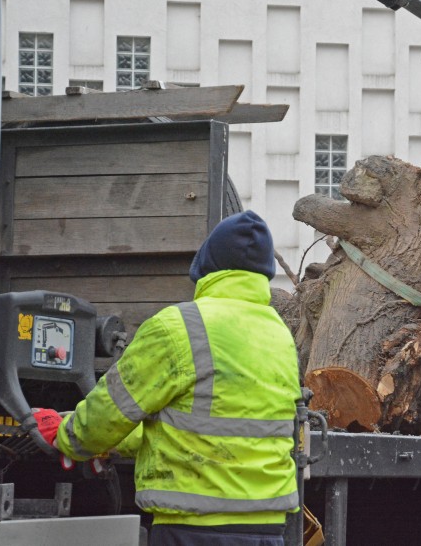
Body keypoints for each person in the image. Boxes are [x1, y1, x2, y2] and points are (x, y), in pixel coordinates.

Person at [35, 210, 302, 545]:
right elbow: (202, 426)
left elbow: (111, 410)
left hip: (195, 530)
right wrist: (115, 445)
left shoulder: (179, 327)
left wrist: (65, 435)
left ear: (207, 265)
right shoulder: (278, 334)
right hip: (268, 530)